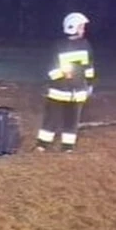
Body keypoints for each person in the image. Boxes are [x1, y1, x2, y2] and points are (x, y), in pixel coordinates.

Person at [36, 12, 95, 153]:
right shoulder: (58, 46)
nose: (83, 30)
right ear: (72, 27)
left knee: (72, 120)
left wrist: (89, 83)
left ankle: (67, 146)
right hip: (59, 91)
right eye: (81, 27)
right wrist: (62, 75)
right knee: (51, 118)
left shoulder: (86, 45)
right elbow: (50, 70)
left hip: (78, 92)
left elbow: (89, 67)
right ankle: (42, 144)